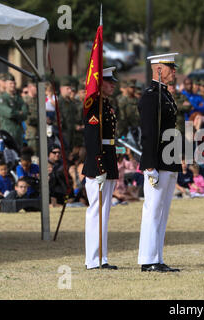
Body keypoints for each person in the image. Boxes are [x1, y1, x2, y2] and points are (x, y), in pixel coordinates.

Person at [137, 53, 181, 273]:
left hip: (169, 158)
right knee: (153, 210)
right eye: (171, 68)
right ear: (159, 70)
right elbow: (149, 133)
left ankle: (157, 256)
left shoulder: (164, 95)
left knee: (162, 212)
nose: (175, 72)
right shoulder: (151, 96)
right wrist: (150, 164)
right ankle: (147, 259)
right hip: (158, 160)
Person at [81, 67, 119, 270]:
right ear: (99, 82)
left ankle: (101, 257)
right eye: (108, 81)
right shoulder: (93, 105)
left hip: (109, 158)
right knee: (96, 210)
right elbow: (91, 138)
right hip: (99, 163)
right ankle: (93, 259)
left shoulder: (106, 104)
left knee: (105, 211)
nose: (113, 84)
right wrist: (99, 165)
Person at [0, 73, 28, 149]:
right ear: (6, 84)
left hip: (18, 132)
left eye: (14, 83)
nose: (13, 85)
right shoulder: (2, 98)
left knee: (19, 154)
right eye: (10, 83)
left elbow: (25, 114)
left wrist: (18, 113)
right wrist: (19, 112)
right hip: (7, 131)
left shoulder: (18, 98)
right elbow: (9, 113)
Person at [23, 80, 39, 154]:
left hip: (39, 133)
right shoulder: (24, 100)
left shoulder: (38, 100)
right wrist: (40, 120)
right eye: (35, 86)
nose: (37, 88)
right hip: (30, 133)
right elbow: (27, 118)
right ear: (29, 87)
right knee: (33, 155)